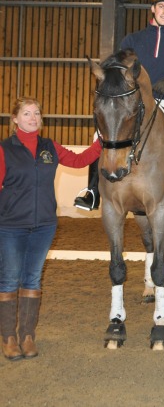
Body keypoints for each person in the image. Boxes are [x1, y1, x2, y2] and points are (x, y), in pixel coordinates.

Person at [75, 0, 164, 211]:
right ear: (153, 9)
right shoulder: (132, 39)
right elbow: (117, 68)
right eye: (161, 7)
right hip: (134, 101)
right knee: (99, 136)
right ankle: (92, 192)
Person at [0, 97, 101, 360]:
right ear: (15, 119)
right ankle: (9, 338)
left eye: (36, 113)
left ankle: (27, 336)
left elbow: (80, 161)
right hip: (11, 225)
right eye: (26, 114)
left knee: (32, 279)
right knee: (10, 279)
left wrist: (103, 141)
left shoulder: (50, 147)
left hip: (44, 224)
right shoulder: (4, 149)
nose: (32, 118)